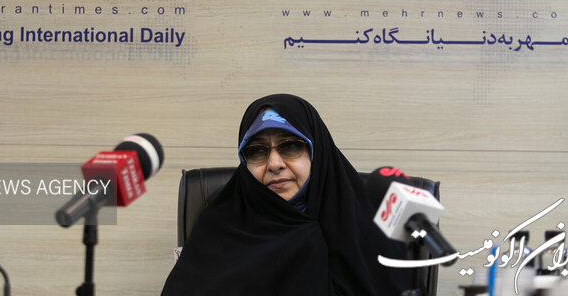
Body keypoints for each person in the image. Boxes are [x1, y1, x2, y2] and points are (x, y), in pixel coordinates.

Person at [161, 94, 418, 296]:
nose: (274, 164)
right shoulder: (218, 227)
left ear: (317, 152)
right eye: (256, 151)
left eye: (291, 146)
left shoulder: (372, 230)